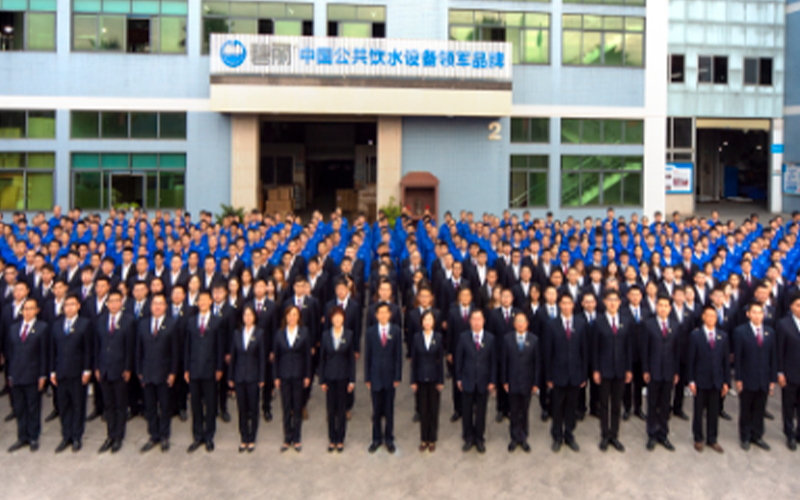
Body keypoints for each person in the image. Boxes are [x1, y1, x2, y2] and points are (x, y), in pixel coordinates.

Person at [136, 293, 179, 452]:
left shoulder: (171, 324)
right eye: (155, 303)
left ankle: (164, 435)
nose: (157, 306)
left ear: (165, 306)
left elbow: (175, 352)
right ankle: (153, 435)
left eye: (160, 303)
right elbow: (138, 350)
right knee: (150, 407)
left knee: (165, 406)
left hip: (164, 372)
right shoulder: (143, 324)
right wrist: (139, 370)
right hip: (147, 372)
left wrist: (173, 372)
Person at [50, 293, 93, 453]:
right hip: (60, 371)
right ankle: (66, 435)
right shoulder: (56, 324)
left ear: (78, 306)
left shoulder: (85, 324)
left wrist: (87, 370)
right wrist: (52, 371)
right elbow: (52, 349)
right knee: (64, 405)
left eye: (72, 305)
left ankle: (76, 436)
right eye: (66, 305)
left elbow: (88, 349)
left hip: (78, 372)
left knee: (78, 405)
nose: (69, 308)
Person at [544, 294, 586, 453]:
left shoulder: (581, 324)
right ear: (559, 305)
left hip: (575, 374)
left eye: (569, 303)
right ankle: (557, 436)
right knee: (557, 407)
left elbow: (584, 352)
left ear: (573, 305)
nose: (567, 306)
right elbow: (547, 353)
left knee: (571, 407)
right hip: (557, 374)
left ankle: (569, 434)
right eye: (564, 303)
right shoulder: (551, 325)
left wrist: (583, 375)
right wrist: (548, 376)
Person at [6, 298, 48, 452]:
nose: (27, 312)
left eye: (31, 308)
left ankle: (33, 437)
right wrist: (10, 375)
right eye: (25, 309)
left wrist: (42, 375)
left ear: (36, 310)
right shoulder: (14, 328)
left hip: (33, 374)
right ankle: (22, 436)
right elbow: (10, 353)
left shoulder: (42, 328)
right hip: (17, 374)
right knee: (19, 408)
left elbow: (44, 353)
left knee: (33, 407)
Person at [185, 290, 224, 453]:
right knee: (195, 404)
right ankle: (197, 435)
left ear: (210, 302)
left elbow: (220, 347)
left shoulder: (217, 321)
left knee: (210, 403)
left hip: (210, 369)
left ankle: (209, 436)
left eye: (205, 300)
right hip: (194, 369)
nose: (202, 302)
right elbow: (187, 346)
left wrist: (219, 368)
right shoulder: (191, 321)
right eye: (199, 300)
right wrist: (186, 368)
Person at [593, 289, 633, 452]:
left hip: (621, 369)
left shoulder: (626, 321)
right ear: (604, 302)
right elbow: (595, 348)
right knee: (604, 404)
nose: (612, 303)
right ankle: (605, 434)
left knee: (616, 404)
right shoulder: (598, 321)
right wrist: (596, 369)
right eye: (609, 299)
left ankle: (614, 435)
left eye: (615, 299)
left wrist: (629, 369)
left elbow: (629, 347)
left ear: (619, 302)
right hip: (604, 369)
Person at [734, 302, 777, 451]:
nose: (757, 315)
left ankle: (757, 435)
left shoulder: (770, 332)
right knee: (746, 409)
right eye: (754, 312)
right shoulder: (740, 332)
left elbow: (773, 357)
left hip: (764, 378)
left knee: (760, 408)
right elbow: (738, 358)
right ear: (748, 314)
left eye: (760, 312)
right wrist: (738, 378)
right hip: (747, 377)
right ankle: (745, 436)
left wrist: (772, 379)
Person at [95, 289, 134, 453]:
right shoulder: (101, 320)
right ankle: (110, 435)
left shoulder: (128, 320)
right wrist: (97, 367)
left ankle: (118, 436)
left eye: (117, 301)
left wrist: (128, 368)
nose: (113, 304)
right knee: (108, 405)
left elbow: (130, 347)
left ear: (121, 302)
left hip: (120, 370)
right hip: (104, 369)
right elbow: (96, 345)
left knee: (120, 405)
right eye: (110, 301)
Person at [687, 305, 729, 453]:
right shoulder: (695, 335)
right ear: (703, 317)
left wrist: (726, 382)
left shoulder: (722, 336)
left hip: (716, 380)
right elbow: (691, 360)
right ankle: (698, 438)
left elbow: (725, 361)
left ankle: (712, 438)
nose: (711, 318)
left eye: (713, 316)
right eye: (708, 315)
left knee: (714, 411)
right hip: (700, 379)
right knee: (698, 410)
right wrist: (691, 380)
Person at [641, 294, 679, 451]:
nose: (663, 308)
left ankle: (663, 434)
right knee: (652, 403)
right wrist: (645, 369)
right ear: (656, 307)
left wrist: (676, 372)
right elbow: (644, 349)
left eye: (666, 306)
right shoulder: (648, 324)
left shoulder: (675, 325)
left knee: (665, 404)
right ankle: (651, 434)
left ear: (670, 308)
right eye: (660, 305)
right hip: (653, 370)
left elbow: (677, 351)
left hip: (669, 371)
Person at [456, 309, 496, 454]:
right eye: (474, 319)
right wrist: (458, 378)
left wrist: (492, 381)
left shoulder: (490, 338)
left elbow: (493, 362)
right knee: (466, 411)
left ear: (483, 321)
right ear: (470, 321)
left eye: (479, 319)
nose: (476, 322)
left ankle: (479, 438)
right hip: (467, 380)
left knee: (481, 411)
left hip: (483, 381)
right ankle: (468, 437)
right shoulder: (463, 337)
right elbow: (459, 359)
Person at [364, 302, 403, 454]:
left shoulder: (396, 331)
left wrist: (397, 376)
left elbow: (398, 356)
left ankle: (389, 438)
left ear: (390, 314)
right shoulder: (370, 332)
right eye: (380, 313)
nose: (383, 315)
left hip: (390, 376)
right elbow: (367, 355)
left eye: (385, 312)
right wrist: (367, 377)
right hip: (375, 376)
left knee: (389, 410)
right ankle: (376, 439)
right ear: (376, 315)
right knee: (376, 410)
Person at [273, 305, 312, 452]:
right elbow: (276, 357)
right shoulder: (279, 333)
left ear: (299, 317)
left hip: (299, 374)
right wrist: (276, 376)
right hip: (284, 374)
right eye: (289, 315)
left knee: (297, 407)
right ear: (285, 317)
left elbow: (307, 356)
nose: (292, 317)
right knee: (286, 407)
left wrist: (307, 375)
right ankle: (287, 438)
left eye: (295, 314)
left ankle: (297, 438)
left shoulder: (304, 332)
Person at [228, 305, 266, 453]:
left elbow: (262, 358)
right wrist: (231, 376)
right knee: (241, 408)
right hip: (239, 375)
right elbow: (233, 357)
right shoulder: (237, 333)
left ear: (254, 317)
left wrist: (262, 377)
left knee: (253, 408)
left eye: (250, 315)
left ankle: (252, 437)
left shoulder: (259, 334)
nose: (248, 318)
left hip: (253, 376)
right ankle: (244, 437)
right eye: (245, 315)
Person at [319, 306, 356, 453]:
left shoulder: (349, 334)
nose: (337, 319)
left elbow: (351, 359)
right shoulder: (325, 335)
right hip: (329, 376)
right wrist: (322, 380)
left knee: (341, 409)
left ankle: (340, 439)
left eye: (339, 316)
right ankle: (332, 439)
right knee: (330, 409)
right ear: (331, 319)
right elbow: (322, 359)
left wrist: (352, 380)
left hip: (343, 376)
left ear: (343, 318)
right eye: (334, 317)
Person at [503, 311, 540, 453]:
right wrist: (504, 380)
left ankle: (523, 437)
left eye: (522, 321)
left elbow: (537, 364)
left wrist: (536, 383)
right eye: (517, 321)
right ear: (514, 324)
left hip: (527, 382)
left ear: (527, 324)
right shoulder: (507, 339)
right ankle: (514, 437)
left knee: (524, 410)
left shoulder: (534, 340)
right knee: (513, 411)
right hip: (512, 381)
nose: (520, 324)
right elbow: (504, 362)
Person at [410, 310, 444, 452]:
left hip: (434, 378)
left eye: (430, 319)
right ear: (421, 322)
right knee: (423, 410)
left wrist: (441, 380)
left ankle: (432, 439)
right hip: (420, 378)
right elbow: (414, 361)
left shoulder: (439, 337)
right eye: (425, 320)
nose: (427, 322)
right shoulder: (416, 337)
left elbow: (440, 361)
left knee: (433, 410)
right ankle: (424, 439)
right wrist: (413, 380)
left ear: (434, 322)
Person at [776, 293, 800, 450]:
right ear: (791, 307)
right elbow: (779, 350)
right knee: (789, 406)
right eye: (798, 305)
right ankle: (789, 434)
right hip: (790, 372)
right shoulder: (783, 324)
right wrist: (780, 372)